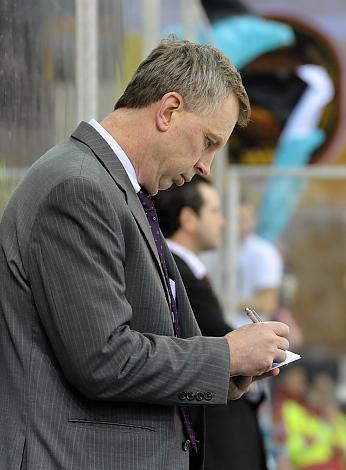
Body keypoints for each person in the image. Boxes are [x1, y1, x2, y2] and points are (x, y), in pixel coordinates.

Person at [0, 37, 290, 470]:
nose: (205, 166)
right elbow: (103, 360)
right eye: (208, 141)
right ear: (169, 110)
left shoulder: (110, 188)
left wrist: (223, 372)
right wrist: (225, 355)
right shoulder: (78, 187)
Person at [154, 175, 268, 470]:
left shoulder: (186, 271)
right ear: (189, 218)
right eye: (215, 212)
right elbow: (223, 347)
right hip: (214, 437)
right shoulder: (173, 274)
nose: (223, 222)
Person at [236, 197, 284, 326]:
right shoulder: (214, 250)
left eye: (247, 219)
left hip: (250, 332)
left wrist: (225, 302)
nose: (244, 225)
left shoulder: (264, 252)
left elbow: (268, 303)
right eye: (239, 220)